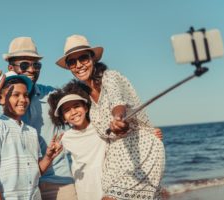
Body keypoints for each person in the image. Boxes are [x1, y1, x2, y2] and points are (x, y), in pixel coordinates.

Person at [0, 37, 77, 200]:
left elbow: (82, 112)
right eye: (24, 64)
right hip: (17, 189)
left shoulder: (53, 96)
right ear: (10, 67)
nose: (32, 69)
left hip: (58, 184)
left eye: (36, 65)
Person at [55, 34, 165, 200]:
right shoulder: (85, 97)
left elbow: (117, 103)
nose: (79, 65)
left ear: (93, 58)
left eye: (83, 58)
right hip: (115, 159)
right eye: (72, 62)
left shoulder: (110, 77)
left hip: (140, 150)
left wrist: (118, 119)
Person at [0, 74, 63, 200]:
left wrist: (48, 157)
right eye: (16, 95)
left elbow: (34, 173)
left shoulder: (32, 132)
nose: (23, 99)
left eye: (25, 95)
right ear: (1, 98)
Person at [48, 80, 106, 200]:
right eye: (67, 110)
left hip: (107, 184)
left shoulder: (100, 126)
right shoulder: (65, 138)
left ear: (85, 107)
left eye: (76, 106)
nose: (73, 112)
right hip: (84, 188)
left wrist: (151, 133)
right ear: (63, 118)